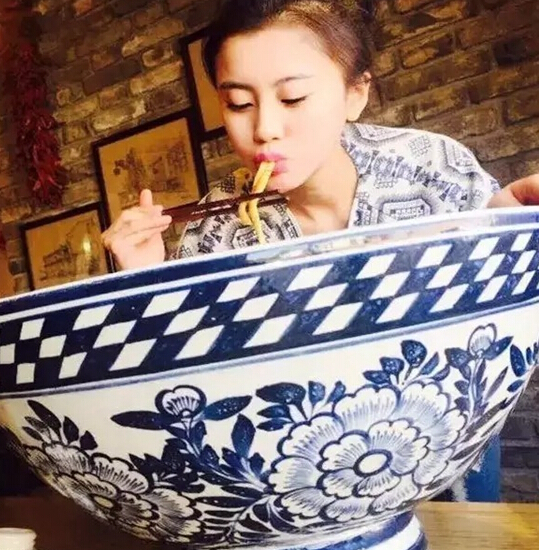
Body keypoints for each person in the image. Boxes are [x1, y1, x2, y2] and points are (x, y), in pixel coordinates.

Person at [102, 0, 539, 501]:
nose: (264, 128)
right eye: (239, 104)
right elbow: (192, 382)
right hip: (299, 476)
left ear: (356, 94)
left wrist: (502, 225)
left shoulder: (431, 168)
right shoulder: (214, 231)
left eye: (292, 98)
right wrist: (146, 282)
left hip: (450, 439)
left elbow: (494, 315)